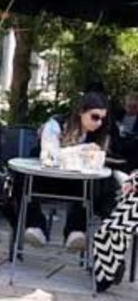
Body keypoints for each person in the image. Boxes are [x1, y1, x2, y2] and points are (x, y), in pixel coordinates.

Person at [17, 92, 113, 251]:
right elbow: (50, 154)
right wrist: (81, 149)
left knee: (92, 184)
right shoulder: (55, 125)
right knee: (22, 179)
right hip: (46, 179)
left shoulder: (98, 135)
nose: (99, 123)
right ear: (81, 112)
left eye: (102, 118)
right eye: (95, 117)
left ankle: (75, 231)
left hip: (74, 184)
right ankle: (36, 226)